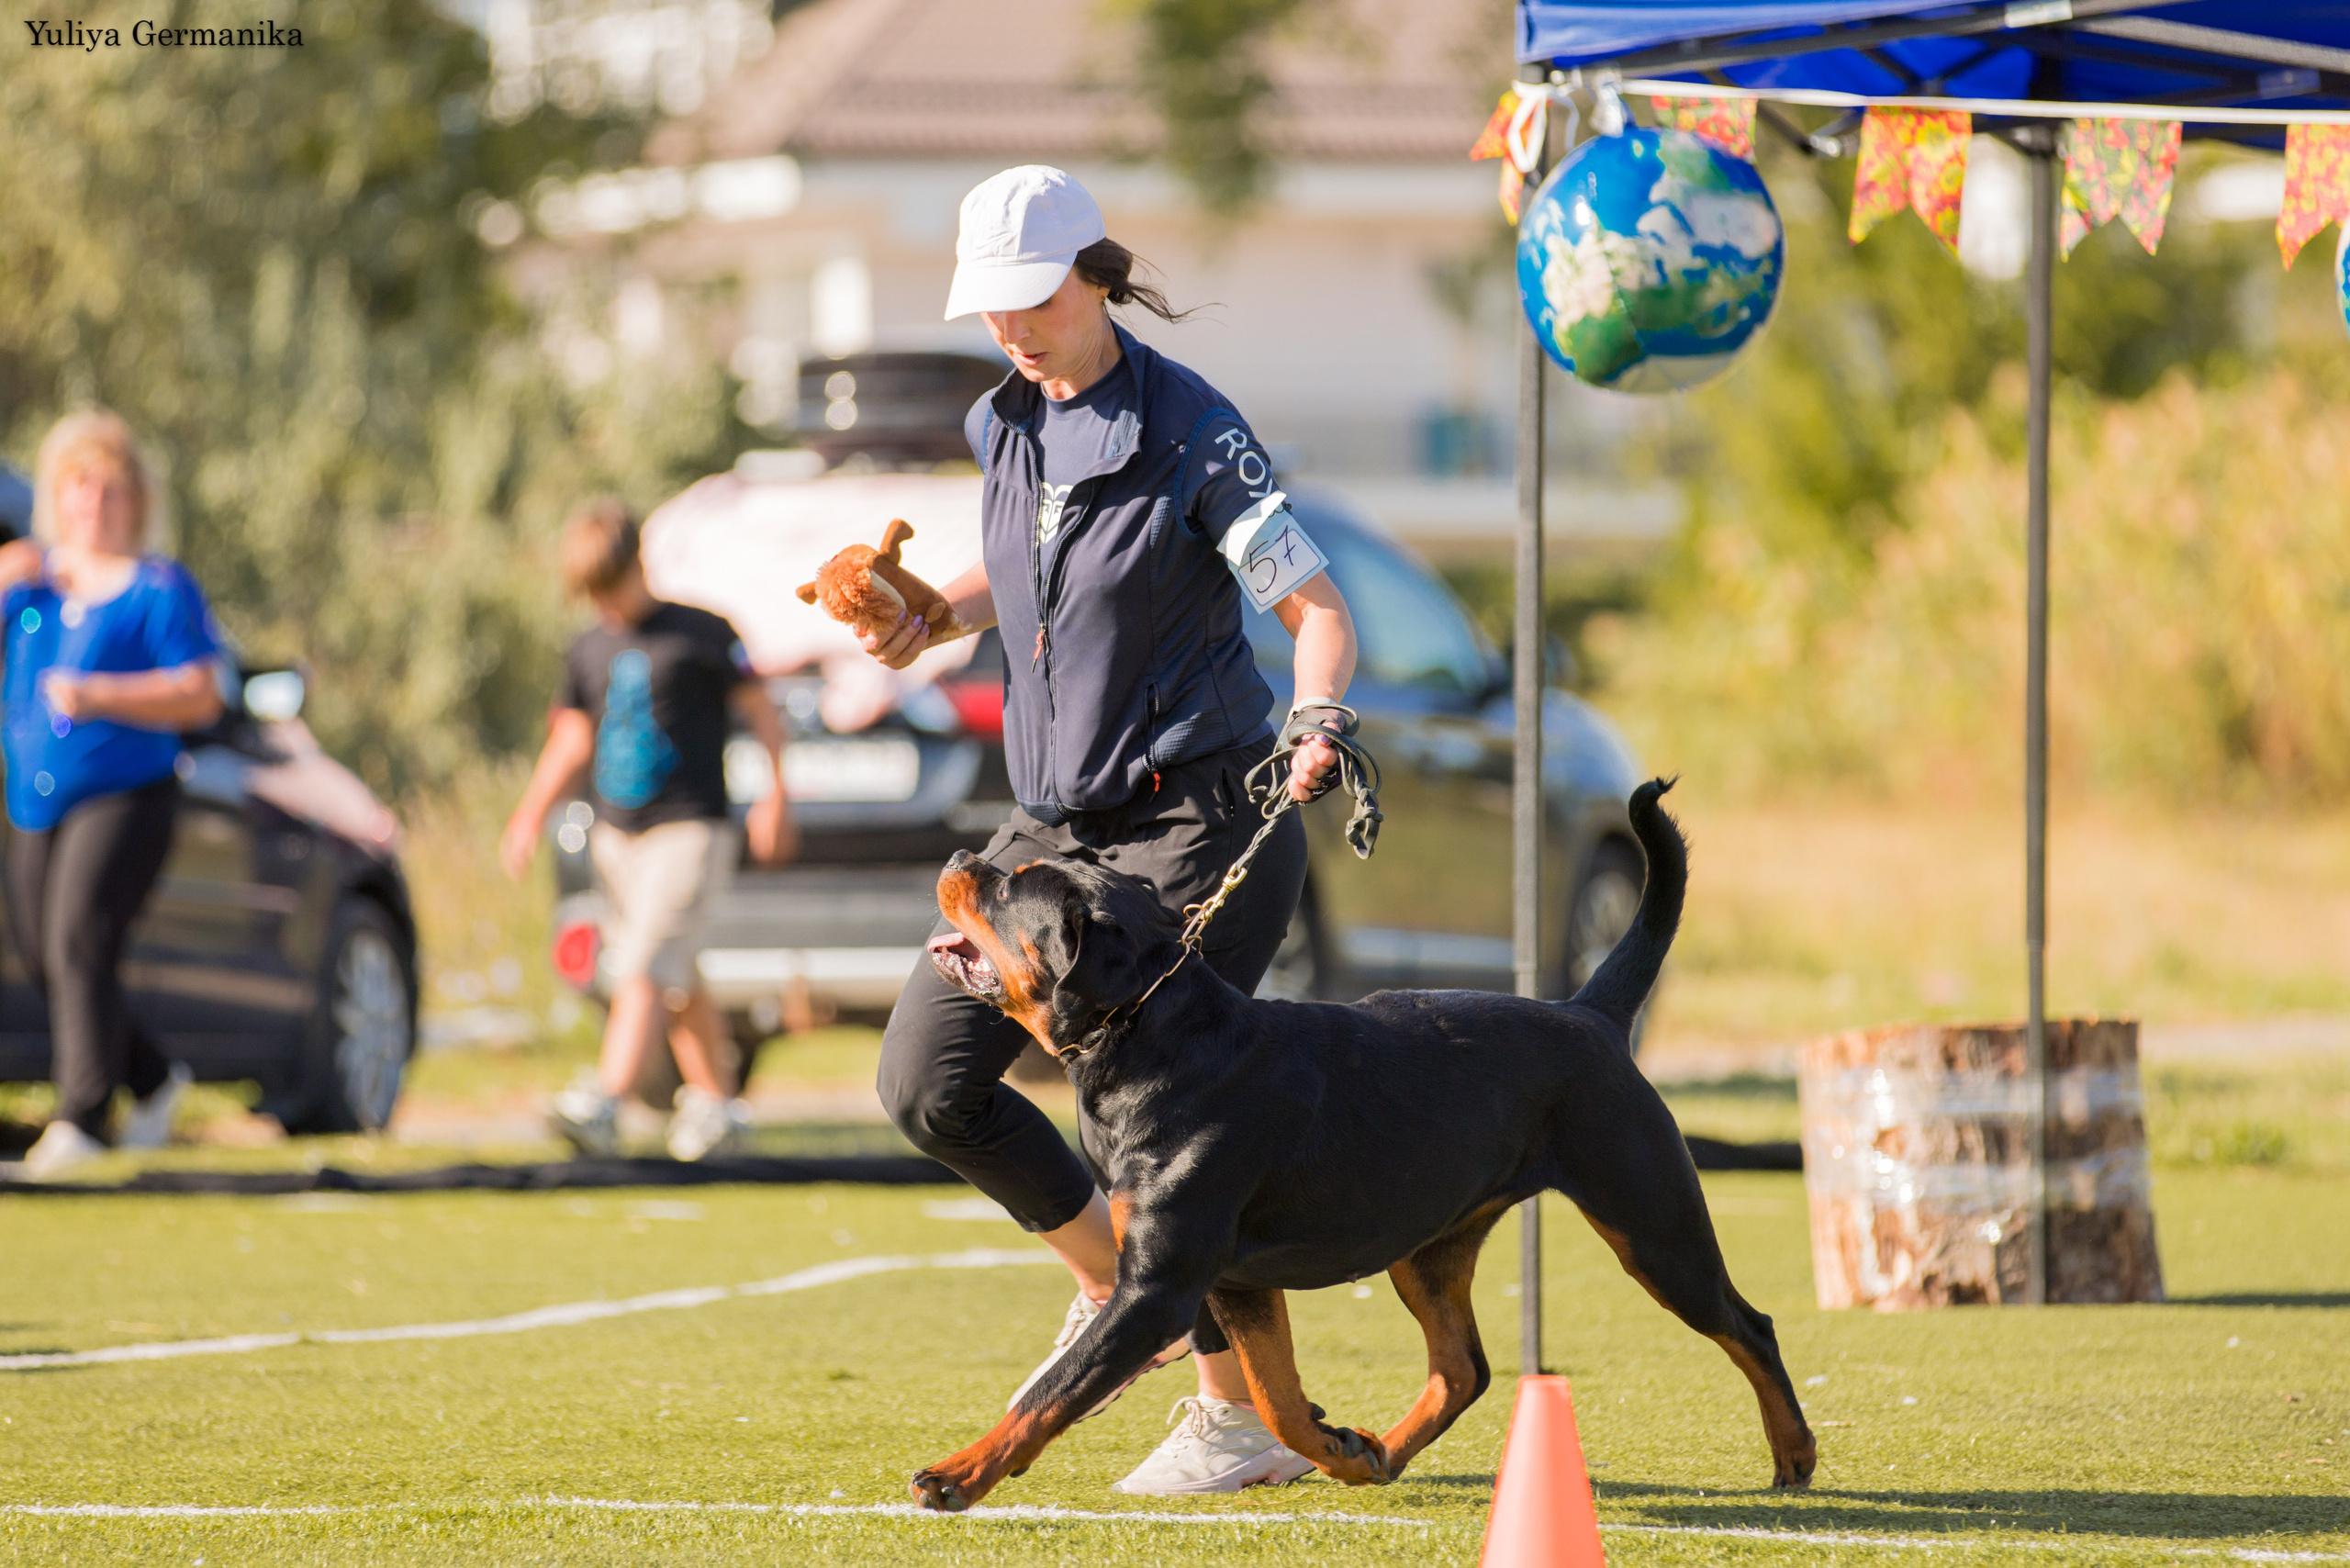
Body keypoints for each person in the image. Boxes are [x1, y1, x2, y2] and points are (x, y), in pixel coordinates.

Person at [865, 166, 1360, 1495]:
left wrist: (1319, 725)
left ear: (1093, 273)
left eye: (1030, 299)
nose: (1010, 329)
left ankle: (1238, 1420)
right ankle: (1119, 1290)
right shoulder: (1002, 419)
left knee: (1169, 1134)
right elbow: (1023, 570)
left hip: (1198, 831)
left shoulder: (1195, 431)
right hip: (1050, 840)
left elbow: (1316, 611)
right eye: (991, 308)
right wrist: (929, 612)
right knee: (926, 1079)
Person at [501, 498, 797, 1161]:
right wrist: (528, 814)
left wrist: (777, 795)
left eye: (611, 585)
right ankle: (719, 1106)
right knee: (675, 970)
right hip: (617, 834)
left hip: (690, 828)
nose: (605, 603)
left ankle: (606, 1101)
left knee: (641, 965)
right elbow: (572, 741)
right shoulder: (588, 647)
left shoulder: (703, 633)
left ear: (638, 564)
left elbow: (762, 713)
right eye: (592, 593)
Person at [1, 409, 225, 1179]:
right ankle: (155, 1078)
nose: (94, 503)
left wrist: (102, 696)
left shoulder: (156, 589)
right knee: (44, 950)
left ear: (136, 500)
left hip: (128, 793)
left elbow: (200, 693)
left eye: (111, 489)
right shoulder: (30, 587)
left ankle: (83, 1117)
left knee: (79, 935)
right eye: (79, 486)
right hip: (35, 802)